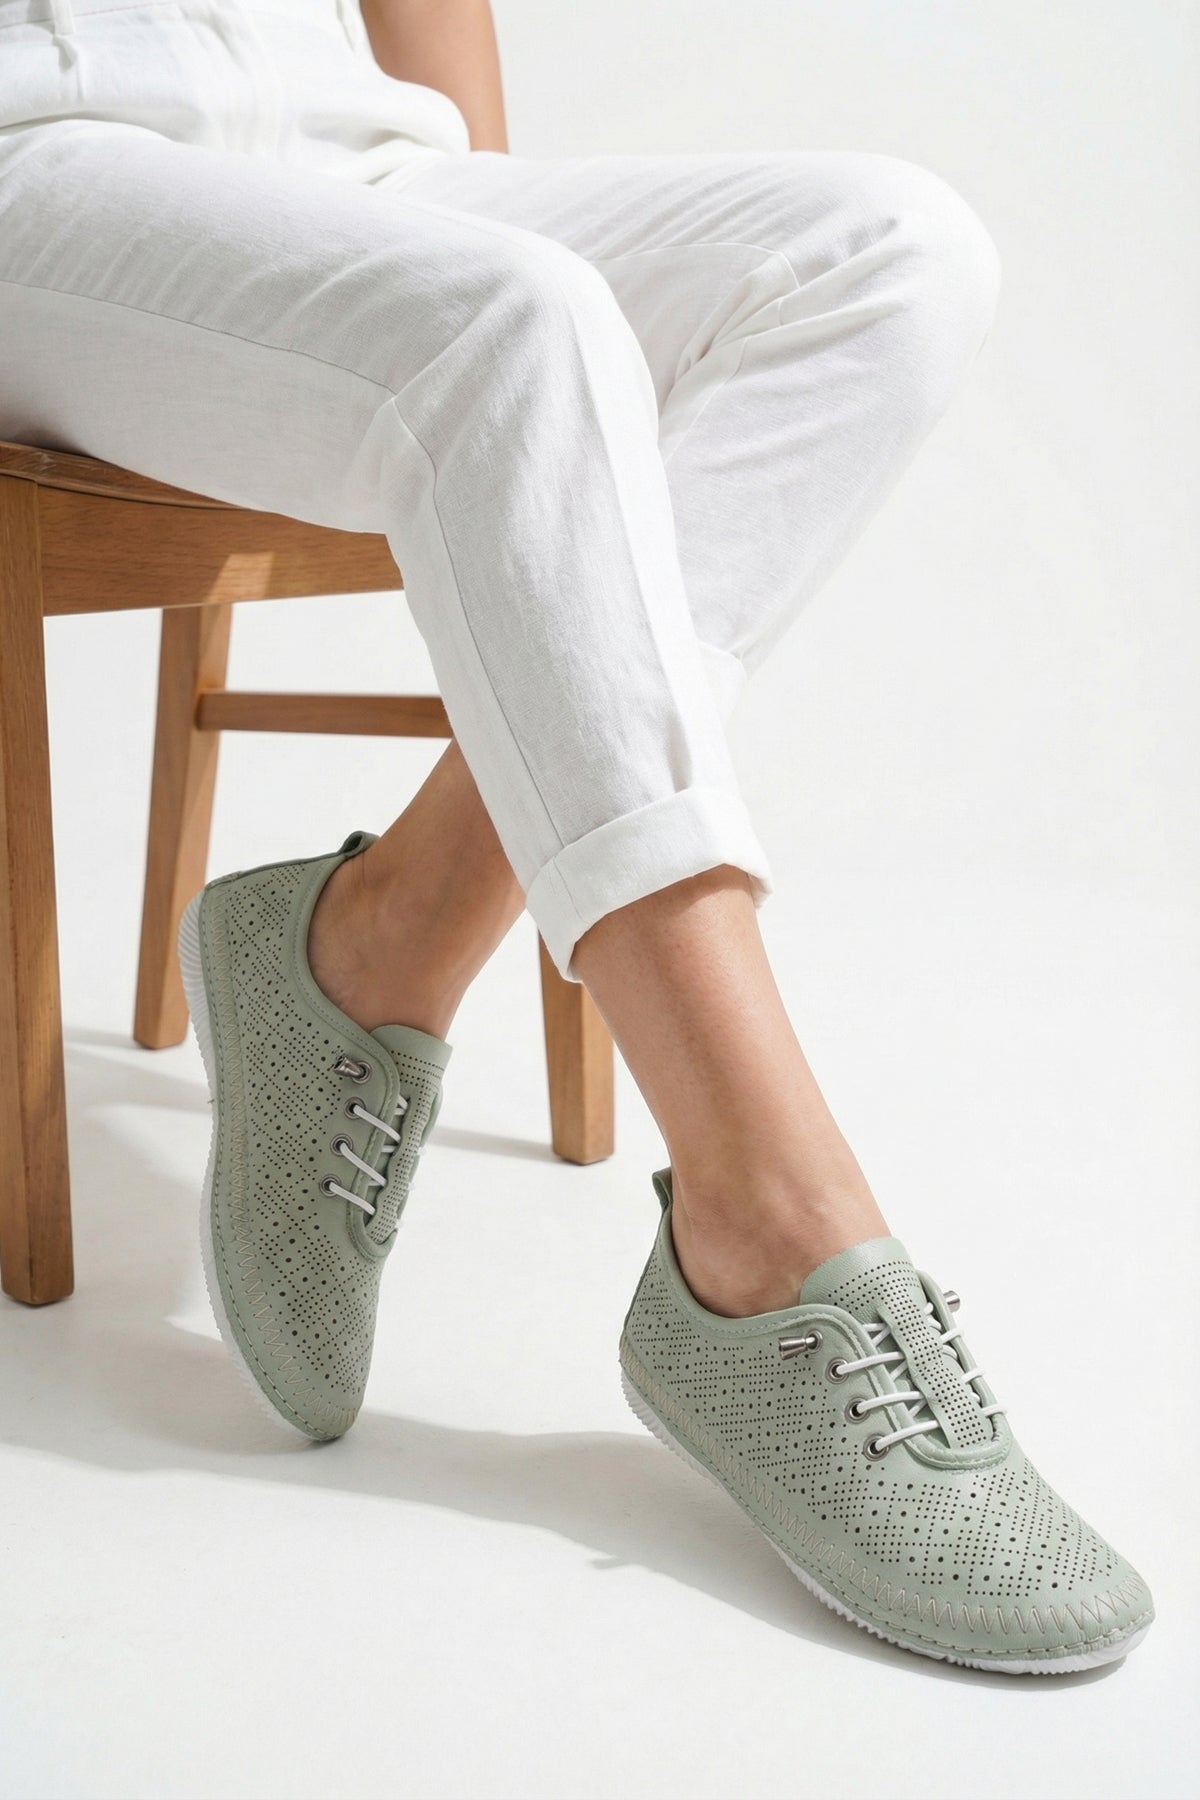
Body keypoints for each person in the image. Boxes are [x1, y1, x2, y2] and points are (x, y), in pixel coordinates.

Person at [0, 0, 1151, 1673]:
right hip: (37, 161)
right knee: (515, 328)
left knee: (889, 252)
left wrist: (457, 193)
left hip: (345, 148)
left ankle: (384, 935)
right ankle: (767, 1223)